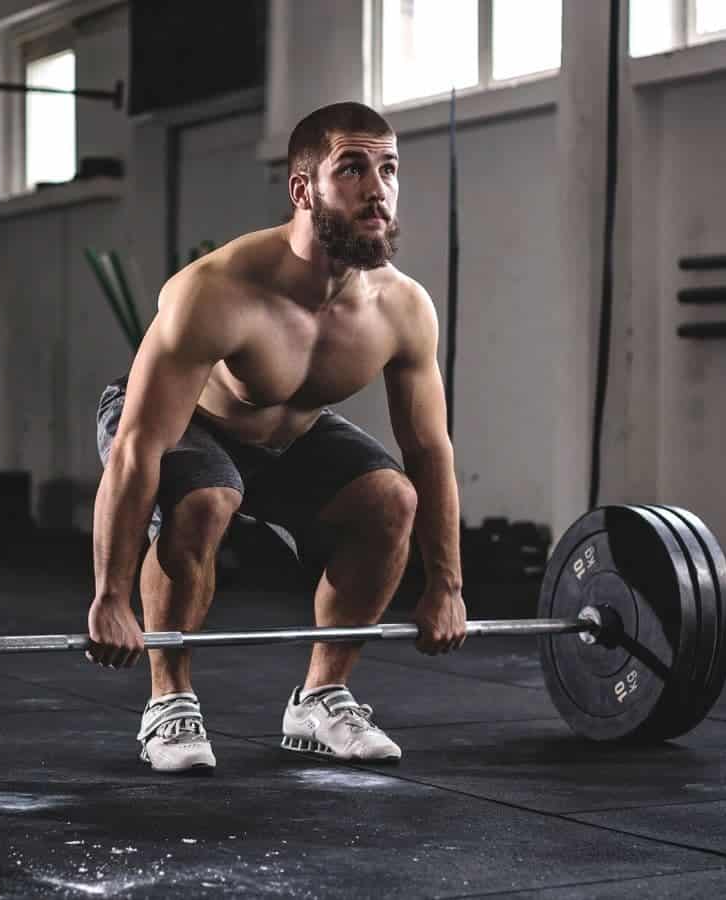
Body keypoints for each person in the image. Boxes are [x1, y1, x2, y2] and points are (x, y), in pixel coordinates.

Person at [90, 101, 466, 773]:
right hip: (183, 424)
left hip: (291, 436)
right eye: (352, 168)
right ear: (303, 190)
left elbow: (429, 452)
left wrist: (448, 585)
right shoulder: (216, 290)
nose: (377, 189)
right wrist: (110, 596)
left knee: (392, 501)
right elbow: (138, 449)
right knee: (205, 500)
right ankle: (168, 703)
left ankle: (321, 696)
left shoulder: (402, 308)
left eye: (388, 169)